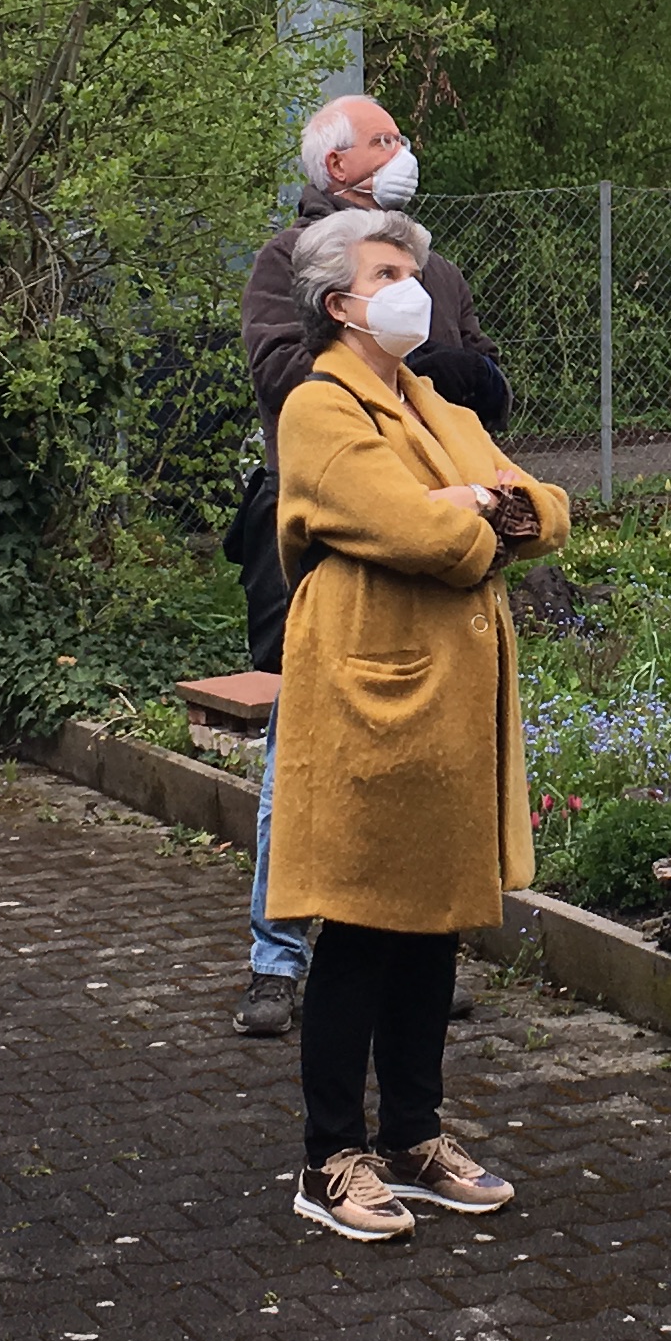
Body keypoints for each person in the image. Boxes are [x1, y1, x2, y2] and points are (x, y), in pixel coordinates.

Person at [267, 205, 568, 1241]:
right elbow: (413, 530)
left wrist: (486, 504)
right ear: (337, 302)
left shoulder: (431, 397)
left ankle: (413, 1135)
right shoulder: (319, 406)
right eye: (389, 274)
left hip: (450, 690)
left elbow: (545, 506)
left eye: (414, 271)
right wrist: (477, 511)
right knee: (360, 918)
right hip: (370, 683)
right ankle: (329, 1158)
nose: (413, 290)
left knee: (435, 916)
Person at [229, 96, 510, 1039]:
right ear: (334, 164)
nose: (402, 151)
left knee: (424, 750)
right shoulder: (287, 261)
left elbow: (487, 389)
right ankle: (279, 958)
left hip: (439, 552)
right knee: (305, 742)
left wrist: (439, 370)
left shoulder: (434, 266)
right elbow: (288, 379)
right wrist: (399, 364)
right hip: (335, 536)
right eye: (383, 140)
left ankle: (411, 941)